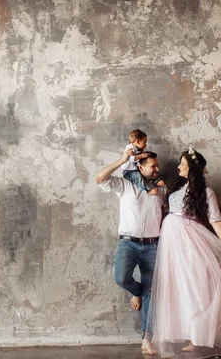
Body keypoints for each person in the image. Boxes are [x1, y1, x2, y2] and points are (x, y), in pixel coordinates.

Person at [146, 147, 221, 358]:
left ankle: (196, 335)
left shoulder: (205, 192)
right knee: (176, 285)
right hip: (171, 242)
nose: (178, 166)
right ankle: (185, 333)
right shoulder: (177, 188)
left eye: (182, 163)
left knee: (194, 284)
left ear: (192, 168)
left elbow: (215, 219)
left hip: (189, 239)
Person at [95, 149, 166, 355]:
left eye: (157, 166)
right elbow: (99, 178)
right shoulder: (125, 185)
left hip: (153, 245)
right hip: (128, 243)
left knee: (151, 293)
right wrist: (123, 160)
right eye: (153, 166)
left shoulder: (161, 189)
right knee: (121, 278)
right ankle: (137, 291)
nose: (157, 170)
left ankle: (147, 338)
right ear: (140, 167)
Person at [120, 129, 165, 194]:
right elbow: (131, 159)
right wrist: (141, 156)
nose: (146, 145)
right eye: (145, 142)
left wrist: (144, 155)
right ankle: (147, 190)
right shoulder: (130, 148)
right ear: (138, 141)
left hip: (135, 168)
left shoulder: (138, 149)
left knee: (151, 173)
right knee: (139, 177)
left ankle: (157, 181)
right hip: (129, 171)